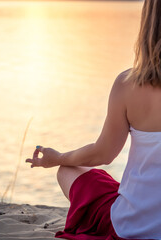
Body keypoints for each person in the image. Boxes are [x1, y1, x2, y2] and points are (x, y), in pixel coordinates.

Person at [26, 0, 161, 239]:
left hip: (129, 228)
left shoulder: (127, 84)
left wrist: (57, 158)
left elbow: (103, 154)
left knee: (67, 170)